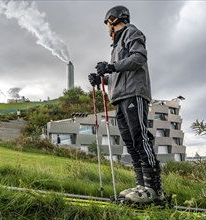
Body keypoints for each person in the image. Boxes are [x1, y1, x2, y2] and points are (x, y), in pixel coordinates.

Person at [88, 5, 164, 204]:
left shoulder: (131, 32)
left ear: (113, 20)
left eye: (107, 24)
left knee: (140, 138)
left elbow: (139, 58)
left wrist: (111, 66)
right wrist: (102, 81)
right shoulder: (115, 46)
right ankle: (142, 185)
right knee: (130, 142)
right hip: (120, 96)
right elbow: (119, 74)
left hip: (134, 93)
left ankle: (154, 189)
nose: (107, 29)